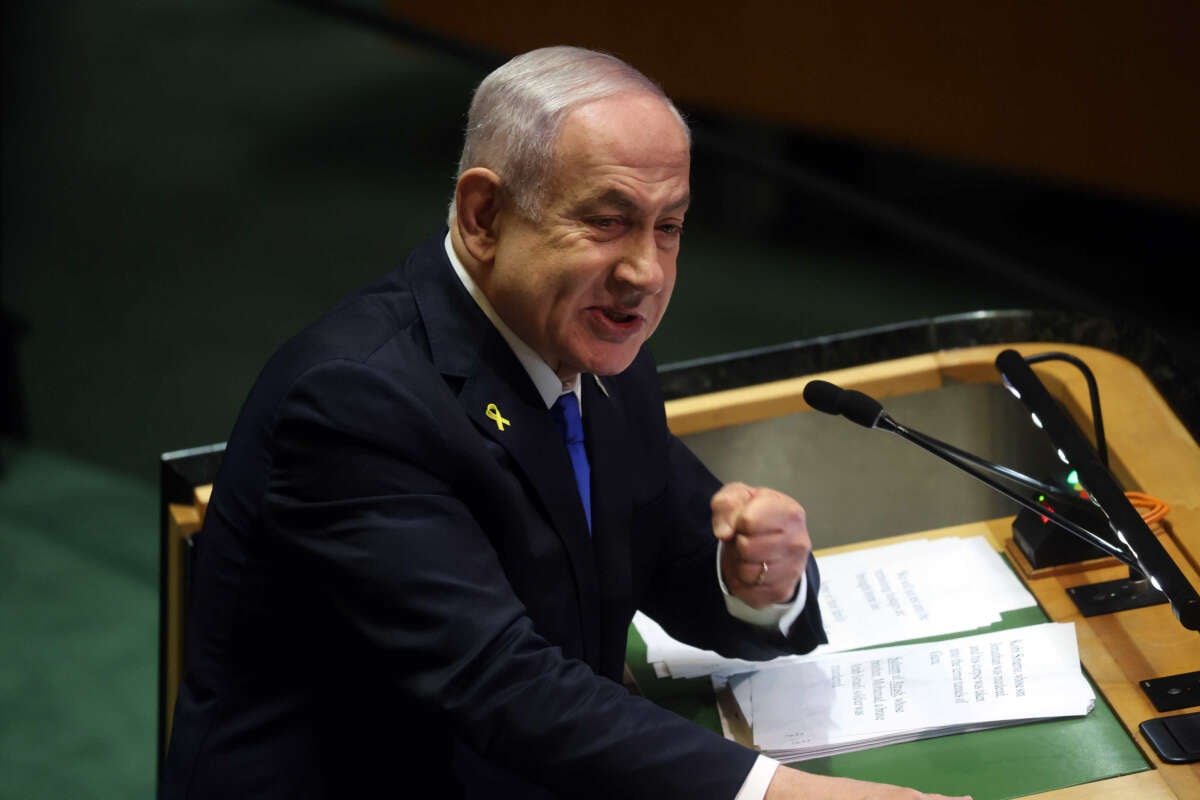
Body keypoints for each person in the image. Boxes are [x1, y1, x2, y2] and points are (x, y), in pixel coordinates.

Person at [161, 45, 969, 800]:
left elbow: (671, 544)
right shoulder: (354, 405)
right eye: (608, 221)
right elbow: (503, 685)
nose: (645, 273)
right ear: (483, 215)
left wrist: (760, 579)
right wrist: (776, 793)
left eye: (669, 226)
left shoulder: (595, 344)